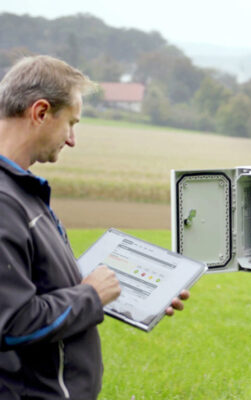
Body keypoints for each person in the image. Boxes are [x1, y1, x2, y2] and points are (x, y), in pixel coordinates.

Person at [0, 55, 189, 400]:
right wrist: (91, 294)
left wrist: (138, 294)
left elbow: (41, 288)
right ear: (40, 113)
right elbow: (11, 325)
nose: (72, 139)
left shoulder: (20, 191)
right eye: (71, 123)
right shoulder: (3, 201)